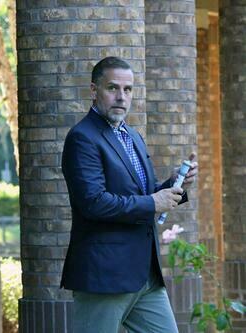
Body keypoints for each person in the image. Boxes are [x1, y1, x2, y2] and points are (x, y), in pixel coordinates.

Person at [60, 56, 198, 333]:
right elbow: (93, 203)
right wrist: (152, 202)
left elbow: (143, 195)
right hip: (104, 276)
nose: (121, 97)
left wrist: (175, 185)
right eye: (113, 88)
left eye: (128, 89)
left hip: (145, 276)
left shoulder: (132, 136)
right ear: (93, 90)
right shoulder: (82, 138)